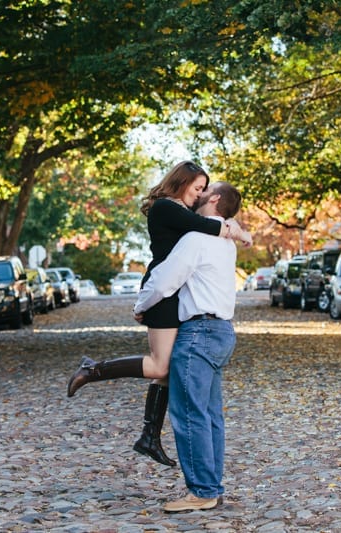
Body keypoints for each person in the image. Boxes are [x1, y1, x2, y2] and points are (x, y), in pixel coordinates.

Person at [67, 161, 251, 467]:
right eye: (197, 188)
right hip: (163, 290)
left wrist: (235, 227)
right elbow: (209, 226)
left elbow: (215, 218)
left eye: (204, 190)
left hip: (176, 293)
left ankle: (149, 435)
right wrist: (237, 231)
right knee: (159, 366)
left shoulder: (186, 212)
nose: (200, 194)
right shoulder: (166, 208)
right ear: (182, 182)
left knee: (170, 368)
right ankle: (93, 370)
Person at [133, 181, 241, 512]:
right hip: (222, 331)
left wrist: (140, 305)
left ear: (215, 200)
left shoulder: (195, 239)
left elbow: (165, 280)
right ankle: (211, 486)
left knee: (190, 414)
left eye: (205, 192)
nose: (198, 196)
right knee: (209, 417)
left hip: (198, 334)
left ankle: (202, 492)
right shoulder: (225, 243)